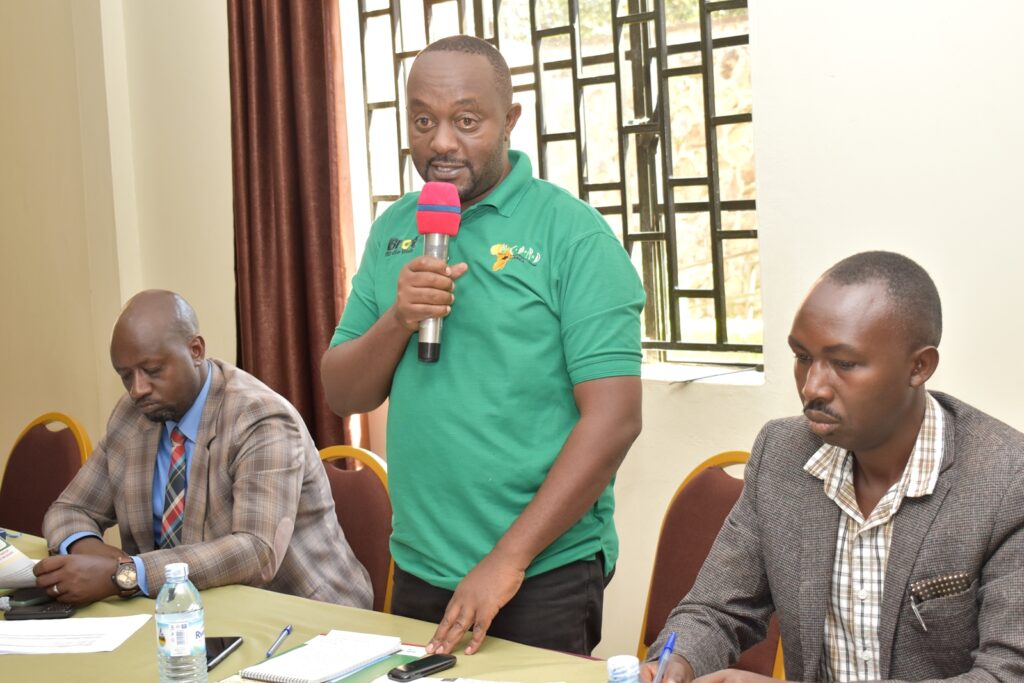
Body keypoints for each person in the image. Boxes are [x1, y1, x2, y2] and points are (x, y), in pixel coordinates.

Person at [321, 35, 644, 655]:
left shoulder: (572, 234)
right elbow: (343, 390)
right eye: (423, 121)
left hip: (540, 570)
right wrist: (397, 319)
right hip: (419, 562)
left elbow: (615, 420)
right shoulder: (395, 231)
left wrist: (506, 561)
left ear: (509, 121)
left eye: (466, 121)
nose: (441, 142)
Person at [643, 251, 1024, 682]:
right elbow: (715, 609)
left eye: (844, 364)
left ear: (919, 366)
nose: (812, 387)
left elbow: (1005, 675)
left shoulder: (1007, 480)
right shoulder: (783, 454)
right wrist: (676, 662)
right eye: (802, 357)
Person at [36, 290, 373, 608]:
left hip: (302, 616)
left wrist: (126, 574)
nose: (137, 389)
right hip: (188, 613)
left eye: (152, 371)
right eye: (126, 376)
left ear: (196, 350)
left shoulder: (260, 417)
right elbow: (69, 509)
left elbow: (255, 551)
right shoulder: (132, 416)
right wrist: (88, 550)